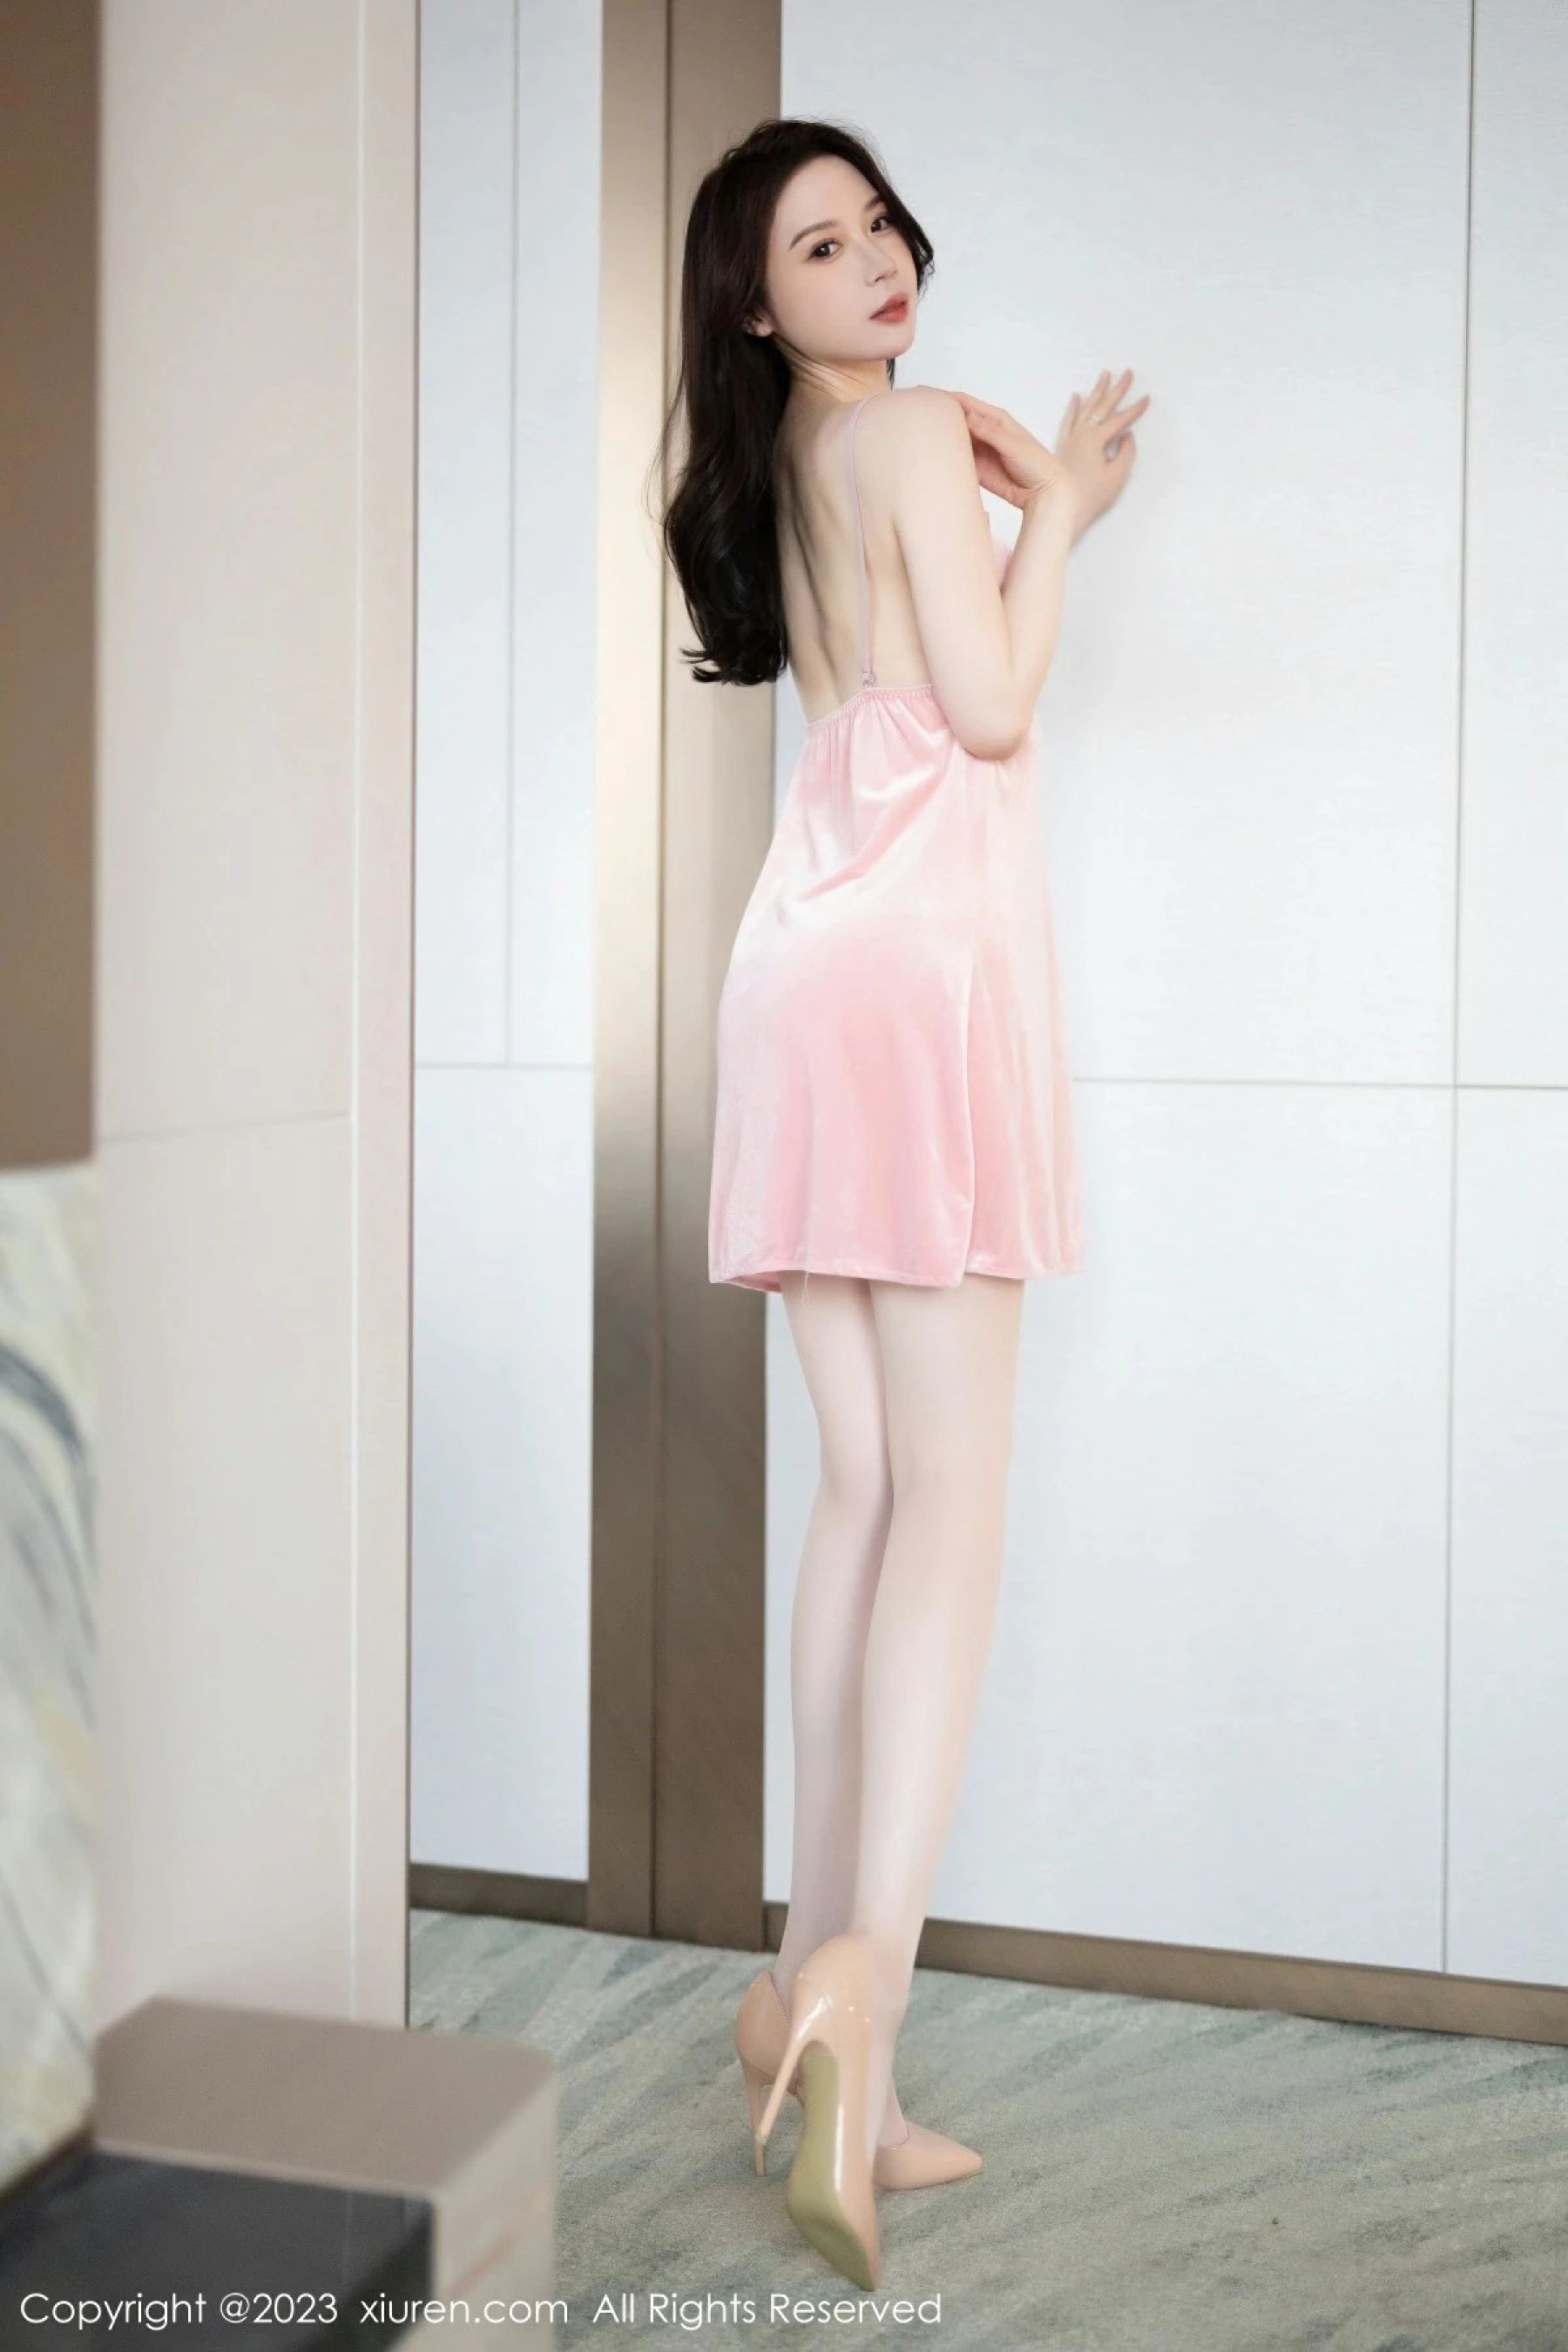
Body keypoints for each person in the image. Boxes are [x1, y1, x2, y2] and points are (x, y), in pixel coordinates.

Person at [658, 116, 1146, 2289]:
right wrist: (1072, 519)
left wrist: (1012, 482)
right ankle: (871, 1990)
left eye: (876, 227)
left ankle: (790, 1983)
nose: (872, 262)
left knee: (862, 1481)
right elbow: (996, 708)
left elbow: (892, 689)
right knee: (954, 1492)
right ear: (759, 307)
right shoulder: (915, 433)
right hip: (919, 978)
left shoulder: (785, 468)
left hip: (796, 971)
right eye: (816, 247)